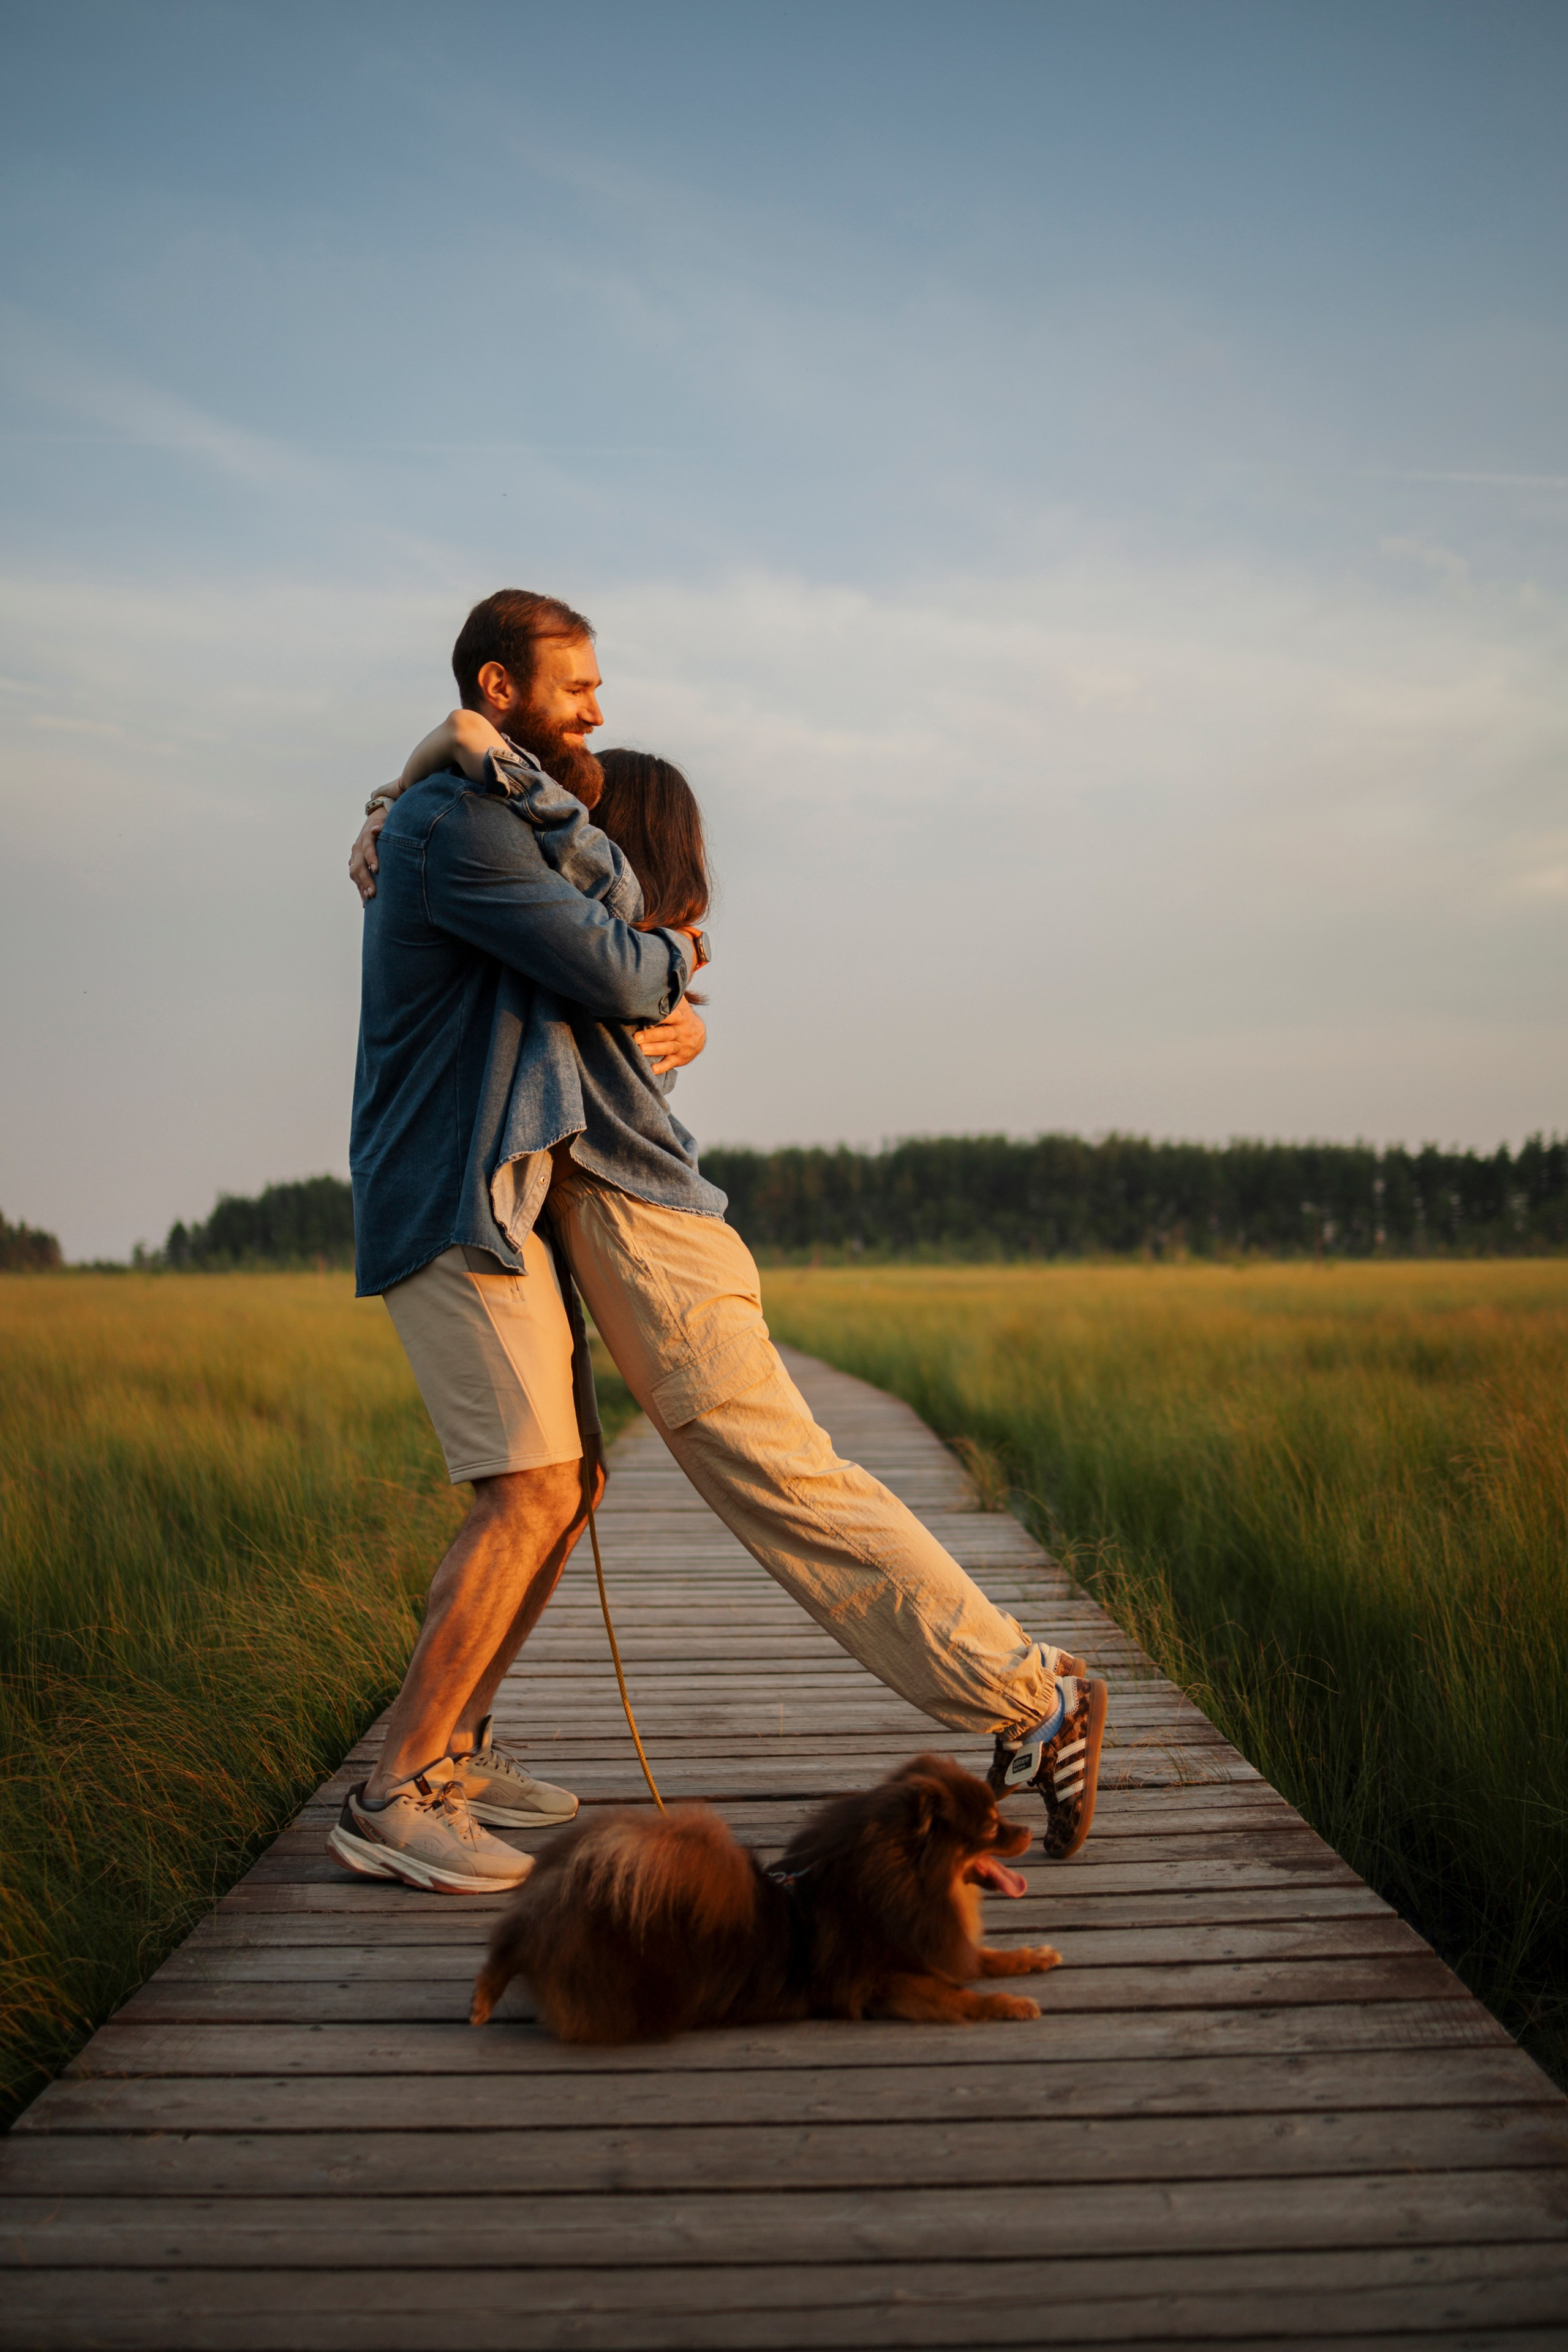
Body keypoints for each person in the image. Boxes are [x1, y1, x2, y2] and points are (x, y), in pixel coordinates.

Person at [337, 587, 1107, 1894]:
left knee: (747, 1488)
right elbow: (582, 944)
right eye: (570, 695)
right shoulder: (488, 858)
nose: (591, 722)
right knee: (572, 1490)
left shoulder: (560, 925)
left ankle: (1031, 1692)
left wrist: (670, 966)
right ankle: (423, 1769)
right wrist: (452, 765)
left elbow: (623, 981)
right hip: (578, 1221)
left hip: (648, 1232)